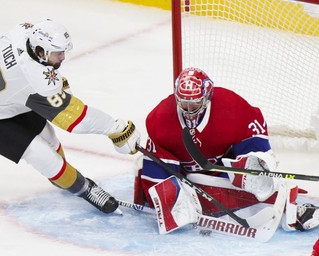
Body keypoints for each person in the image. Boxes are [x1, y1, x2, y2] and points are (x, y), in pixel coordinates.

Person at [0, 19, 140, 214]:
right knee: (41, 154)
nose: (63, 57)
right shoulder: (35, 81)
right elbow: (77, 120)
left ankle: (63, 179)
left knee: (47, 136)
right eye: (58, 53)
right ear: (40, 52)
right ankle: (85, 189)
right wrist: (116, 129)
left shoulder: (23, 33)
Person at [133, 67, 319, 233]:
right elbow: (160, 159)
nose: (189, 110)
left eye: (195, 104)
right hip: (188, 175)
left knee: (255, 174)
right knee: (156, 169)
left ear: (207, 97)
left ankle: (291, 205)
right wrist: (170, 192)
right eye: (184, 104)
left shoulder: (232, 107)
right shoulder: (159, 118)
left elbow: (255, 139)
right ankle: (179, 200)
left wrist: (258, 164)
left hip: (223, 168)